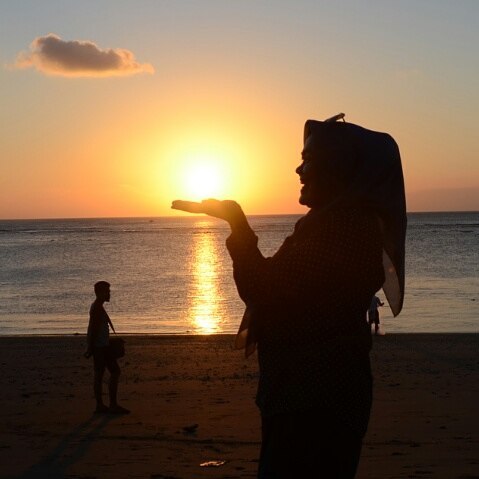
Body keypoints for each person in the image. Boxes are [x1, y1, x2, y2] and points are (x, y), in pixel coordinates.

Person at [172, 114, 406, 478]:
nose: (299, 170)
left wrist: (238, 224)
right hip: (311, 396)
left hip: (313, 402)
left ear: (338, 170)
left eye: (309, 160)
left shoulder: (340, 230)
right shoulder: (335, 225)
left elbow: (265, 292)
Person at [84, 281, 129, 414]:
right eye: (107, 291)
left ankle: (106, 405)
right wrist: (90, 348)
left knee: (109, 373)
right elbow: (93, 329)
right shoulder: (97, 308)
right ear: (100, 293)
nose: (109, 294)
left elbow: (95, 329)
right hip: (100, 348)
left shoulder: (98, 306)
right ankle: (104, 405)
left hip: (103, 346)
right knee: (103, 374)